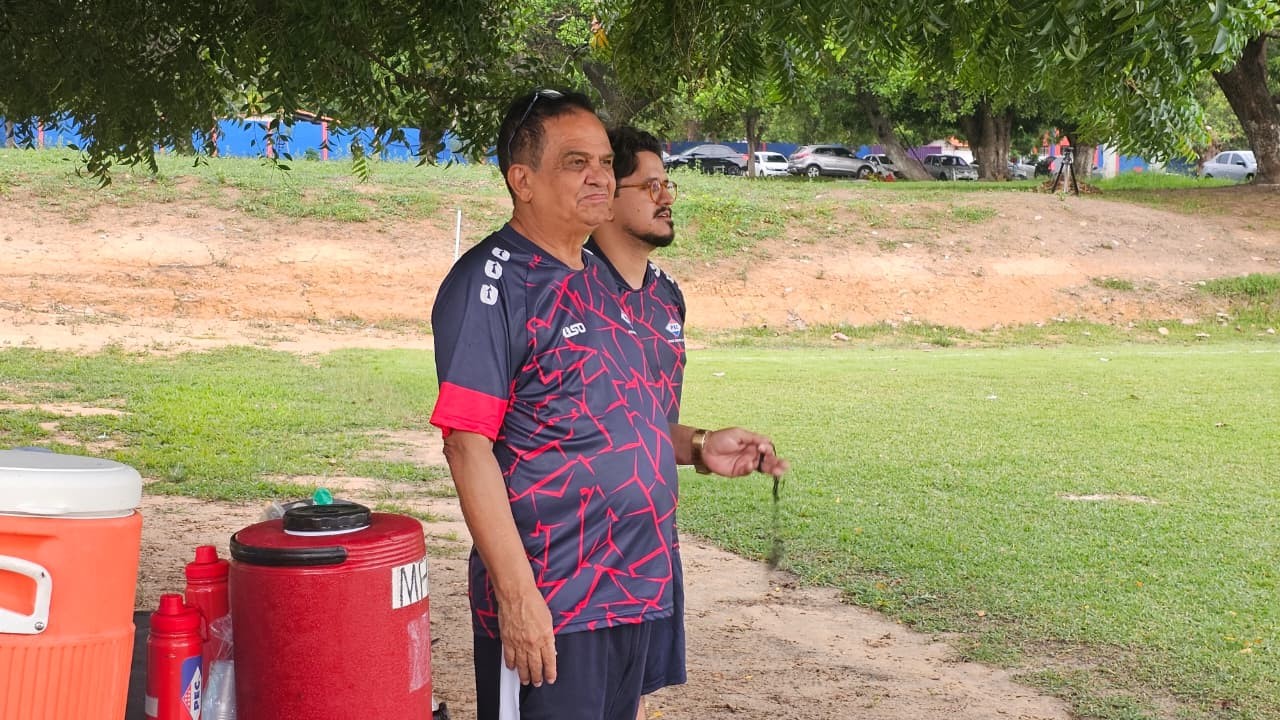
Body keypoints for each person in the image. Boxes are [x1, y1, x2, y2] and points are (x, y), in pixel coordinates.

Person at [429, 90, 787, 720]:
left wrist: (699, 445)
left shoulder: (606, 282)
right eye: (576, 162)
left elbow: (614, 419)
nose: (599, 175)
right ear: (522, 181)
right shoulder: (493, 281)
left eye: (603, 161)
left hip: (633, 588)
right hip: (554, 597)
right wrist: (517, 598)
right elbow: (466, 444)